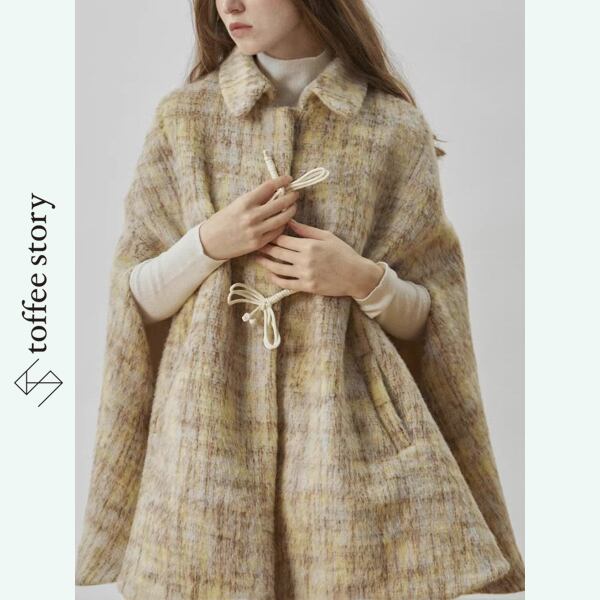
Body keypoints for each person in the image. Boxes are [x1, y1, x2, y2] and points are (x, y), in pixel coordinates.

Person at [76, 1, 525, 599]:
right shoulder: (184, 119)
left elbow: (435, 319)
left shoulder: (393, 128)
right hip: (204, 438)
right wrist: (209, 243)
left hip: (352, 447)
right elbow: (135, 297)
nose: (229, 5)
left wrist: (361, 279)